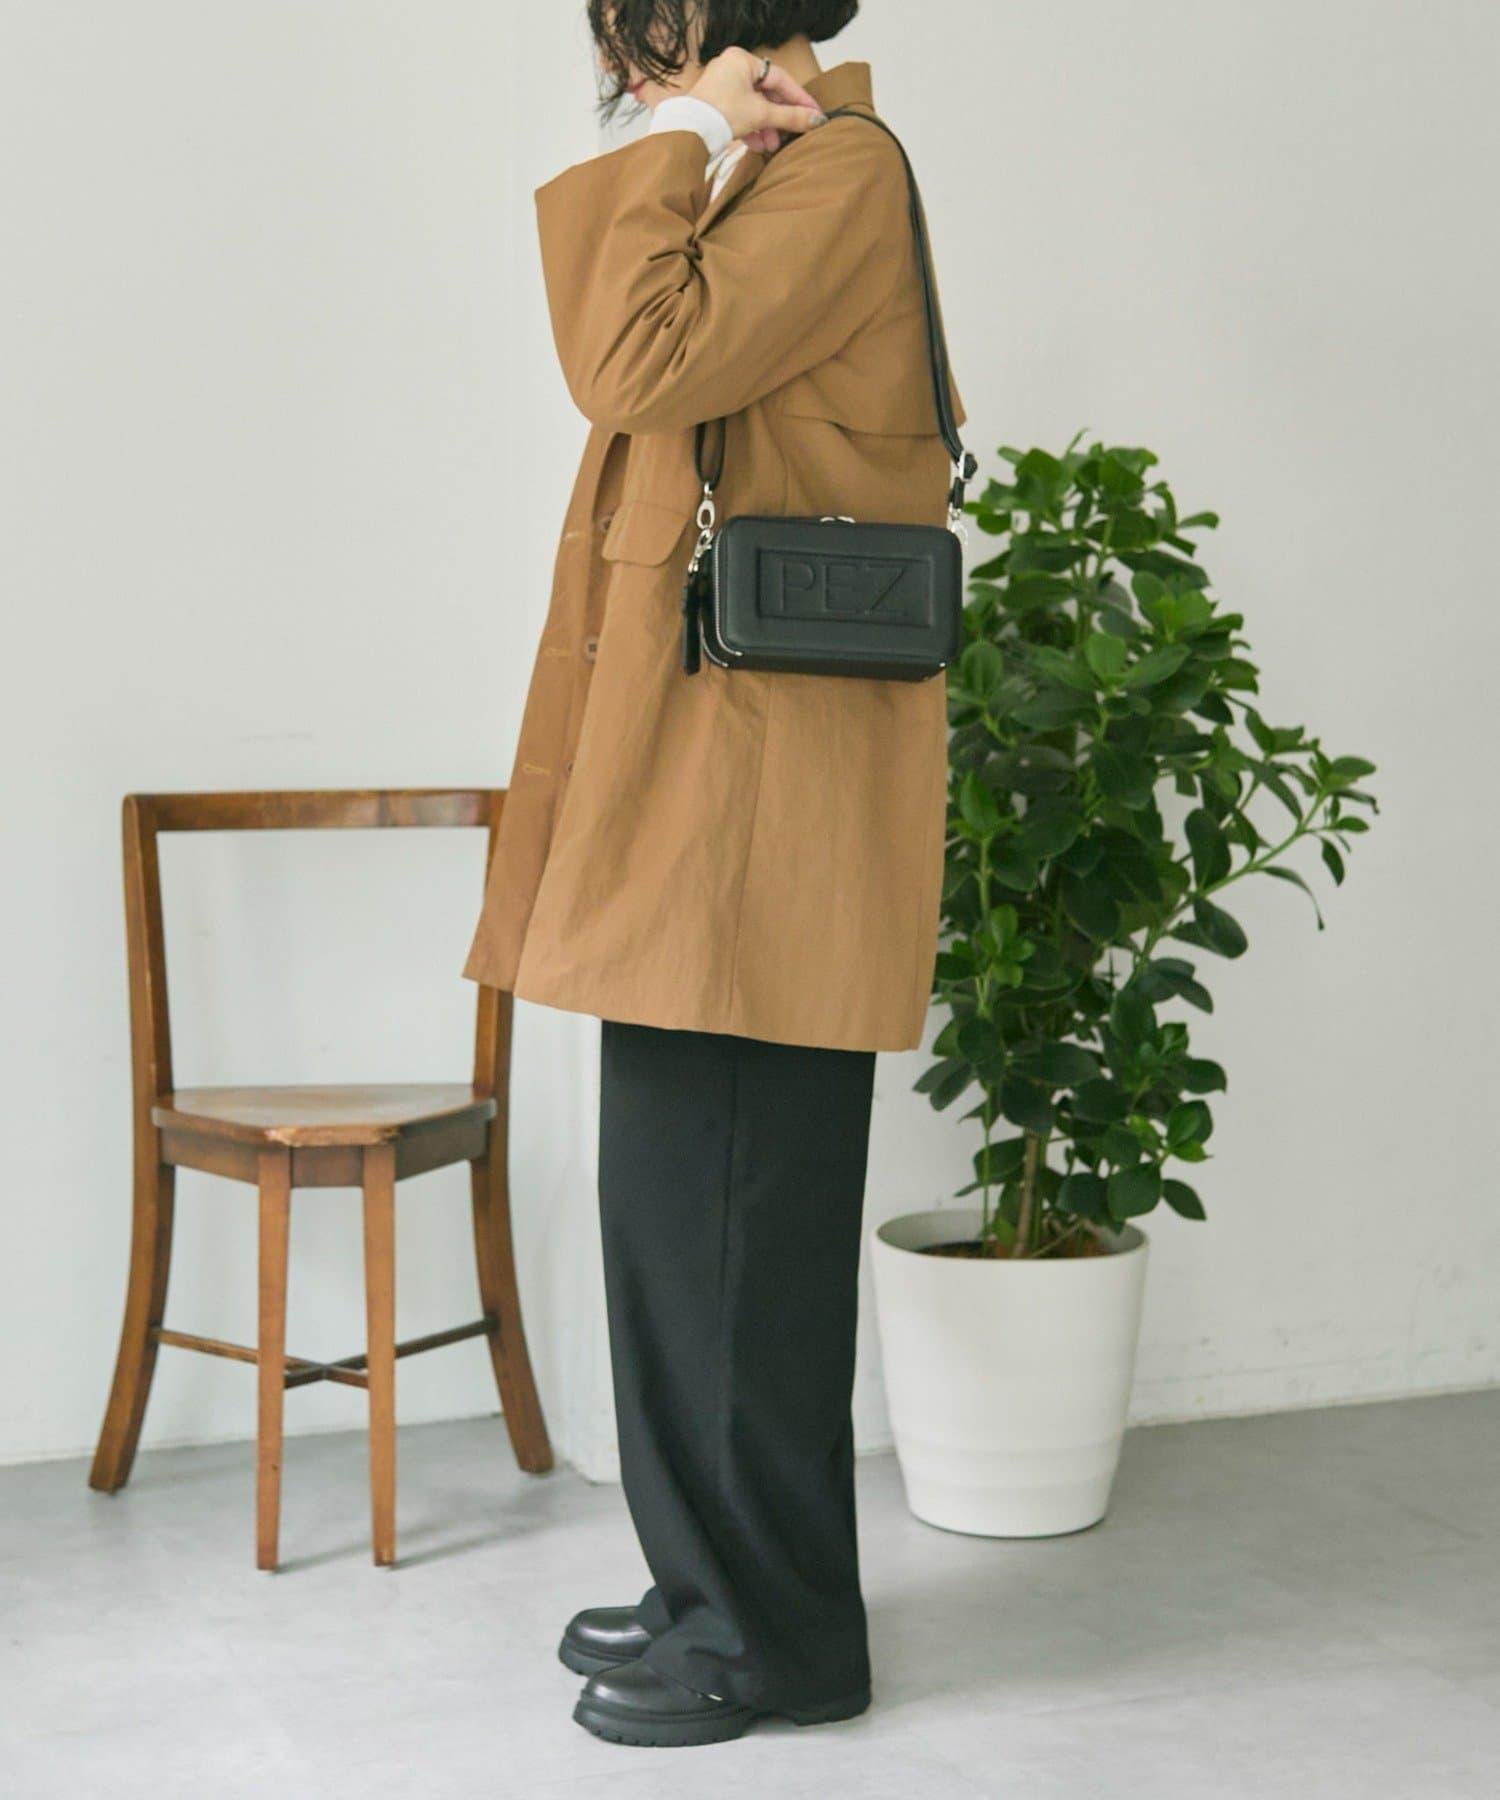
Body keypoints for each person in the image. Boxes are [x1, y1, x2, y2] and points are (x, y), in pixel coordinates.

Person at [462, 0, 967, 1750]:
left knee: (740, 1230)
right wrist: (698, 139)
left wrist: (681, 133)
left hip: (764, 791)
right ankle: (708, 1589)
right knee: (685, 1220)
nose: (624, 56)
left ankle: (776, 1642)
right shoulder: (769, 175)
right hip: (711, 768)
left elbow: (633, 364)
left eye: (646, 29)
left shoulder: (837, 172)